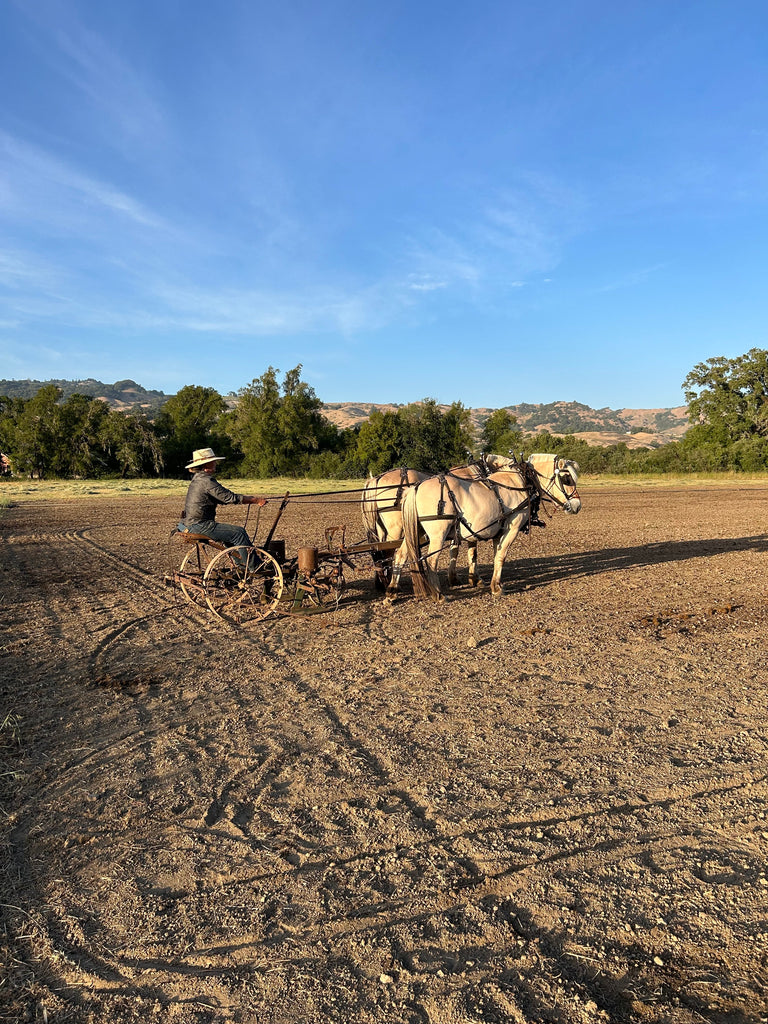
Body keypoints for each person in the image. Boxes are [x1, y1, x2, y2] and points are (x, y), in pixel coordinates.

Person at [179, 447, 266, 553]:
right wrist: (255, 500)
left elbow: (221, 498)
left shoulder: (197, 479)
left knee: (231, 535)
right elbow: (230, 497)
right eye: (213, 461)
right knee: (239, 533)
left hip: (189, 524)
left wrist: (251, 500)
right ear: (207, 464)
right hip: (200, 525)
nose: (215, 463)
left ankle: (242, 564)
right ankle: (254, 566)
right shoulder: (207, 481)